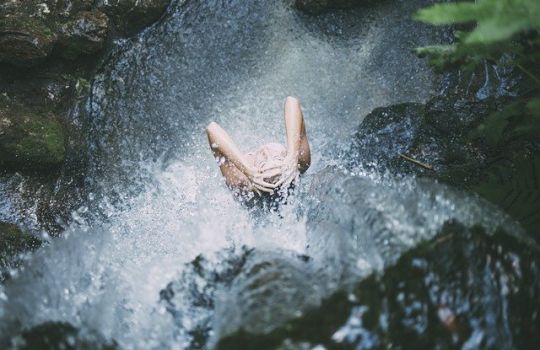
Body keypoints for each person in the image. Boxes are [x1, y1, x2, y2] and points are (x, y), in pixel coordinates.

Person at [207, 96, 310, 197]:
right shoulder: (299, 162)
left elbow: (212, 129)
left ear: (255, 168)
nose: (266, 152)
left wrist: (247, 170)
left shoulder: (241, 183)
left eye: (263, 162)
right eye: (276, 157)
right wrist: (292, 155)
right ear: (288, 161)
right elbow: (292, 101)